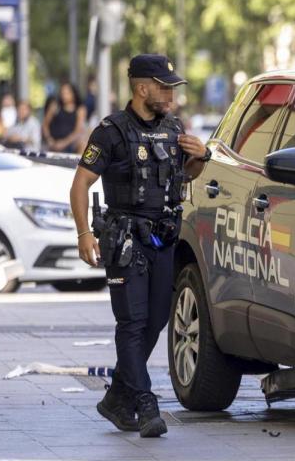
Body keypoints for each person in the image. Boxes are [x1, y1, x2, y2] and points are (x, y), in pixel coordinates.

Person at [69, 54, 209, 437]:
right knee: (131, 323)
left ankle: (117, 396)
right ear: (141, 88)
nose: (170, 95)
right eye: (164, 87)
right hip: (125, 238)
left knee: (157, 319)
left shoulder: (173, 127)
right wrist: (84, 233)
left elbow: (184, 175)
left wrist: (201, 157)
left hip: (162, 236)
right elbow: (80, 183)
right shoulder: (110, 131)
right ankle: (145, 403)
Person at [43, 82, 87, 153]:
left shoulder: (80, 109)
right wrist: (49, 139)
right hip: (53, 142)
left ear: (73, 94)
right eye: (62, 93)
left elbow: (78, 131)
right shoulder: (55, 106)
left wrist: (64, 143)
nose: (64, 96)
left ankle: (80, 164)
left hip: (70, 143)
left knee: (83, 143)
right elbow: (45, 125)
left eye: (67, 93)